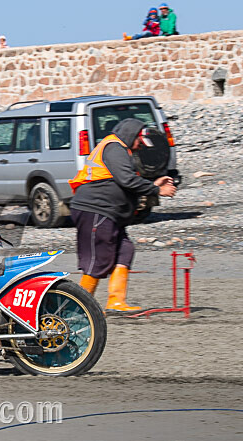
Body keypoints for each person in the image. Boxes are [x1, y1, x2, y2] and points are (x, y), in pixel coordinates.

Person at [69, 119, 176, 312]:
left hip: (107, 212)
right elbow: (126, 180)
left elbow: (124, 180)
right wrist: (156, 190)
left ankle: (116, 302)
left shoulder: (120, 149)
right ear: (131, 135)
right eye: (139, 141)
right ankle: (78, 307)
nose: (140, 146)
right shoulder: (114, 148)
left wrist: (153, 184)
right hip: (95, 208)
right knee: (98, 259)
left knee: (125, 250)